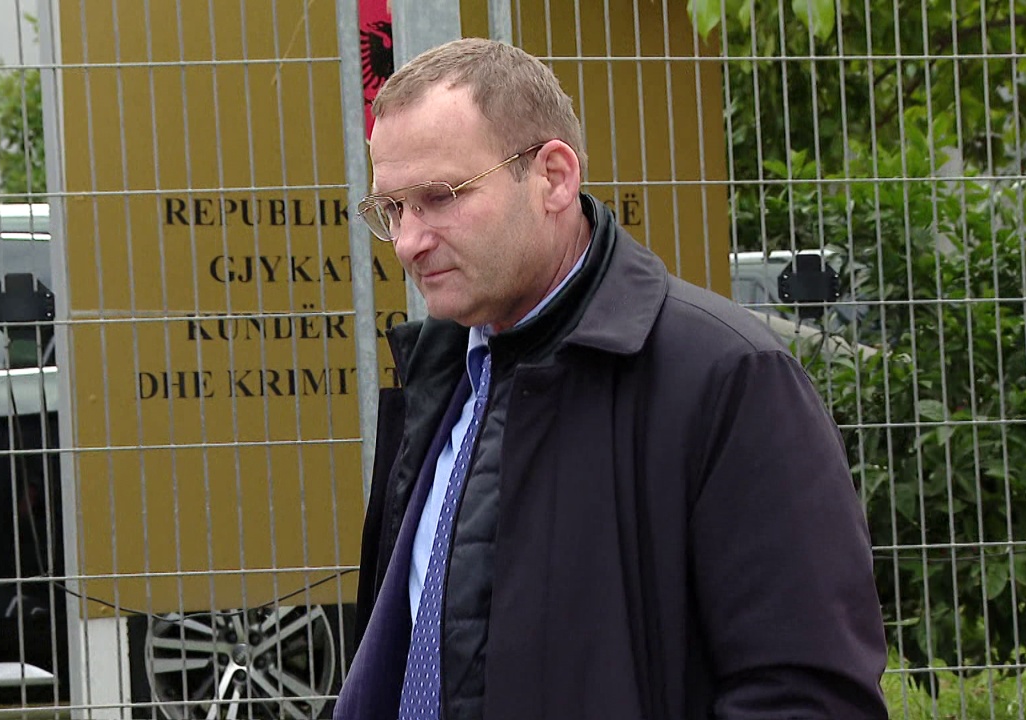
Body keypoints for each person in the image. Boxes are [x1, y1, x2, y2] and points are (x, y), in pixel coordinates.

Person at [335, 37, 889, 720]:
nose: (408, 242)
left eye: (439, 197)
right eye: (392, 210)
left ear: (554, 177)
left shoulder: (729, 379)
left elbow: (808, 696)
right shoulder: (443, 375)